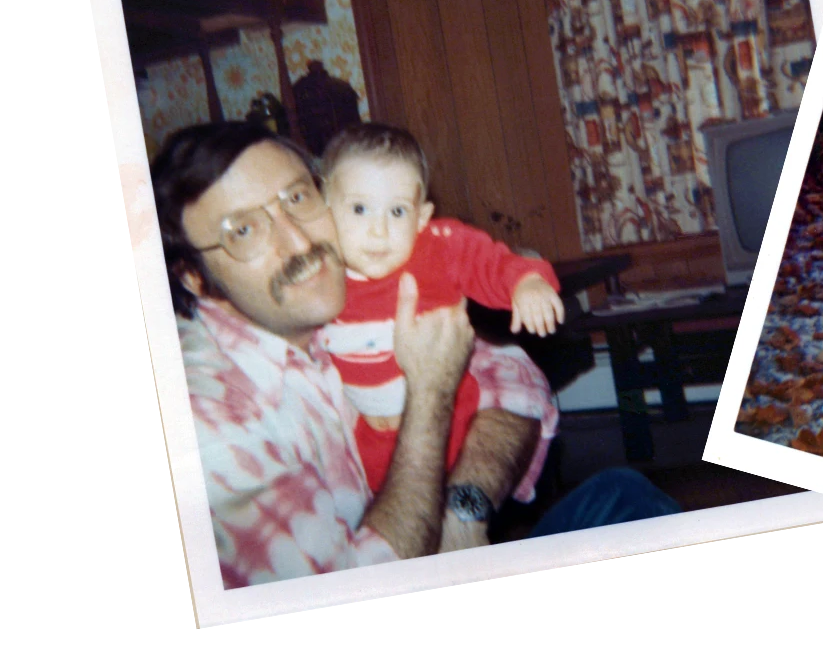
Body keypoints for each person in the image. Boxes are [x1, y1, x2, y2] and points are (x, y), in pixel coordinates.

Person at [154, 122, 678, 588]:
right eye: (243, 230)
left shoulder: (314, 298)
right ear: (193, 277)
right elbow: (357, 597)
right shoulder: (208, 424)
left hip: (447, 542)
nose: (296, 241)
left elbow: (510, 372)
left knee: (625, 496)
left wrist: (463, 512)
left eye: (296, 199)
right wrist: (429, 393)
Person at [317, 123, 564, 496]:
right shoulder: (321, 272)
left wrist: (527, 282)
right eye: (360, 209)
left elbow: (490, 262)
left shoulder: (438, 248)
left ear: (421, 217)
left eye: (397, 211)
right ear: (326, 209)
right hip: (368, 436)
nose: (378, 230)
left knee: (449, 503)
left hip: (451, 423)